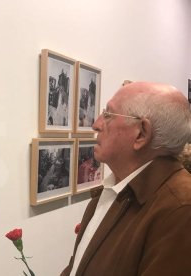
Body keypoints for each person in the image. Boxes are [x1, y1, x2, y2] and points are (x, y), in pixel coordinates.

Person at [61, 82, 191, 276]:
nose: (96, 124)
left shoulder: (180, 209)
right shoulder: (115, 188)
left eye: (108, 115)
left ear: (141, 134)